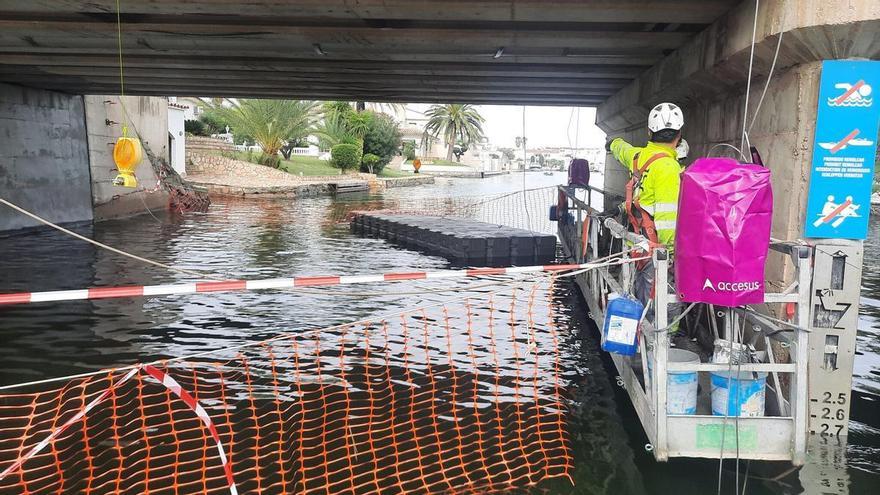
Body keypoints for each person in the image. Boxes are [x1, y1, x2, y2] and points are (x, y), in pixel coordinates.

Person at [605, 102, 684, 314]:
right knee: (665, 300)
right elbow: (669, 216)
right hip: (656, 242)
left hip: (639, 237)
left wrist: (613, 142)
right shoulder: (668, 167)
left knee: (643, 289)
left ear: (649, 132)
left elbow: (622, 150)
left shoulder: (639, 157)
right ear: (679, 136)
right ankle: (665, 339)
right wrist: (670, 253)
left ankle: (642, 331)